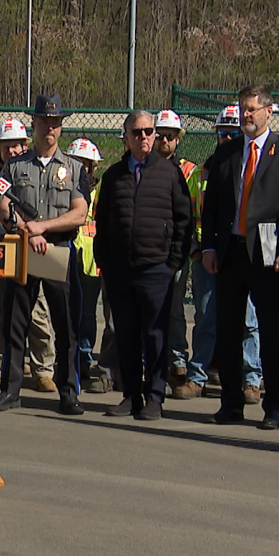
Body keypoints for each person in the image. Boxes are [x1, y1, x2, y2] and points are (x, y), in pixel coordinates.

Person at [201, 85, 279, 430]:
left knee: (274, 332)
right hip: (231, 253)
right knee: (229, 331)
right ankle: (231, 403)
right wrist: (210, 247)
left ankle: (273, 406)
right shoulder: (227, 153)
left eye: (251, 110)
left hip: (270, 255)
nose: (246, 115)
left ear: (268, 112)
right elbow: (212, 205)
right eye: (243, 109)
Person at [0, 94, 88, 415]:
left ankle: (68, 393)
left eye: (55, 123)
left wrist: (43, 228)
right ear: (35, 124)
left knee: (66, 325)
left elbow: (79, 212)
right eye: (44, 121)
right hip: (24, 250)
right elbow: (3, 204)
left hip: (58, 251)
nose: (50, 128)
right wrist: (28, 229)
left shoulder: (73, 168)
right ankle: (10, 390)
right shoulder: (15, 166)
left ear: (61, 127)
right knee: (14, 322)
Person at [95, 111, 192, 420]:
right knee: (125, 334)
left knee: (155, 335)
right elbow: (103, 222)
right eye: (137, 132)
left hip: (156, 270)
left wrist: (172, 262)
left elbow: (183, 221)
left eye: (149, 131)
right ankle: (131, 396)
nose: (145, 137)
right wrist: (107, 264)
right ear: (126, 136)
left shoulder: (169, 173)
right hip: (121, 270)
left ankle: (154, 396)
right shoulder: (113, 175)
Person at [173, 105, 264, 405]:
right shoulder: (201, 174)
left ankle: (251, 380)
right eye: (222, 133)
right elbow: (186, 218)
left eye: (233, 132)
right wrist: (197, 250)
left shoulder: (251, 169)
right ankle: (197, 376)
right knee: (206, 318)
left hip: (244, 256)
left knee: (249, 320)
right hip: (208, 258)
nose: (227, 138)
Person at [0, 117, 56, 392]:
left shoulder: (35, 173)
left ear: (26, 145)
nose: (12, 151)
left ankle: (43, 370)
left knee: (38, 312)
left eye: (17, 146)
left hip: (31, 250)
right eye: (6, 146)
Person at [65, 137, 117, 393]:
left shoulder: (103, 190)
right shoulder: (65, 188)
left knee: (109, 318)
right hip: (76, 258)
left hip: (99, 259)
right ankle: (83, 360)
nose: (84, 168)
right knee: (82, 314)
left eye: (87, 164)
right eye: (79, 163)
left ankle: (100, 363)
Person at [154, 110, 200, 390]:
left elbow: (192, 213)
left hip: (177, 250)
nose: (165, 141)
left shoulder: (189, 171)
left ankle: (177, 360)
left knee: (174, 308)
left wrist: (189, 247)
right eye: (160, 135)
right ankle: (150, 359)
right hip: (149, 248)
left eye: (170, 136)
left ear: (178, 140)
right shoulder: (144, 166)